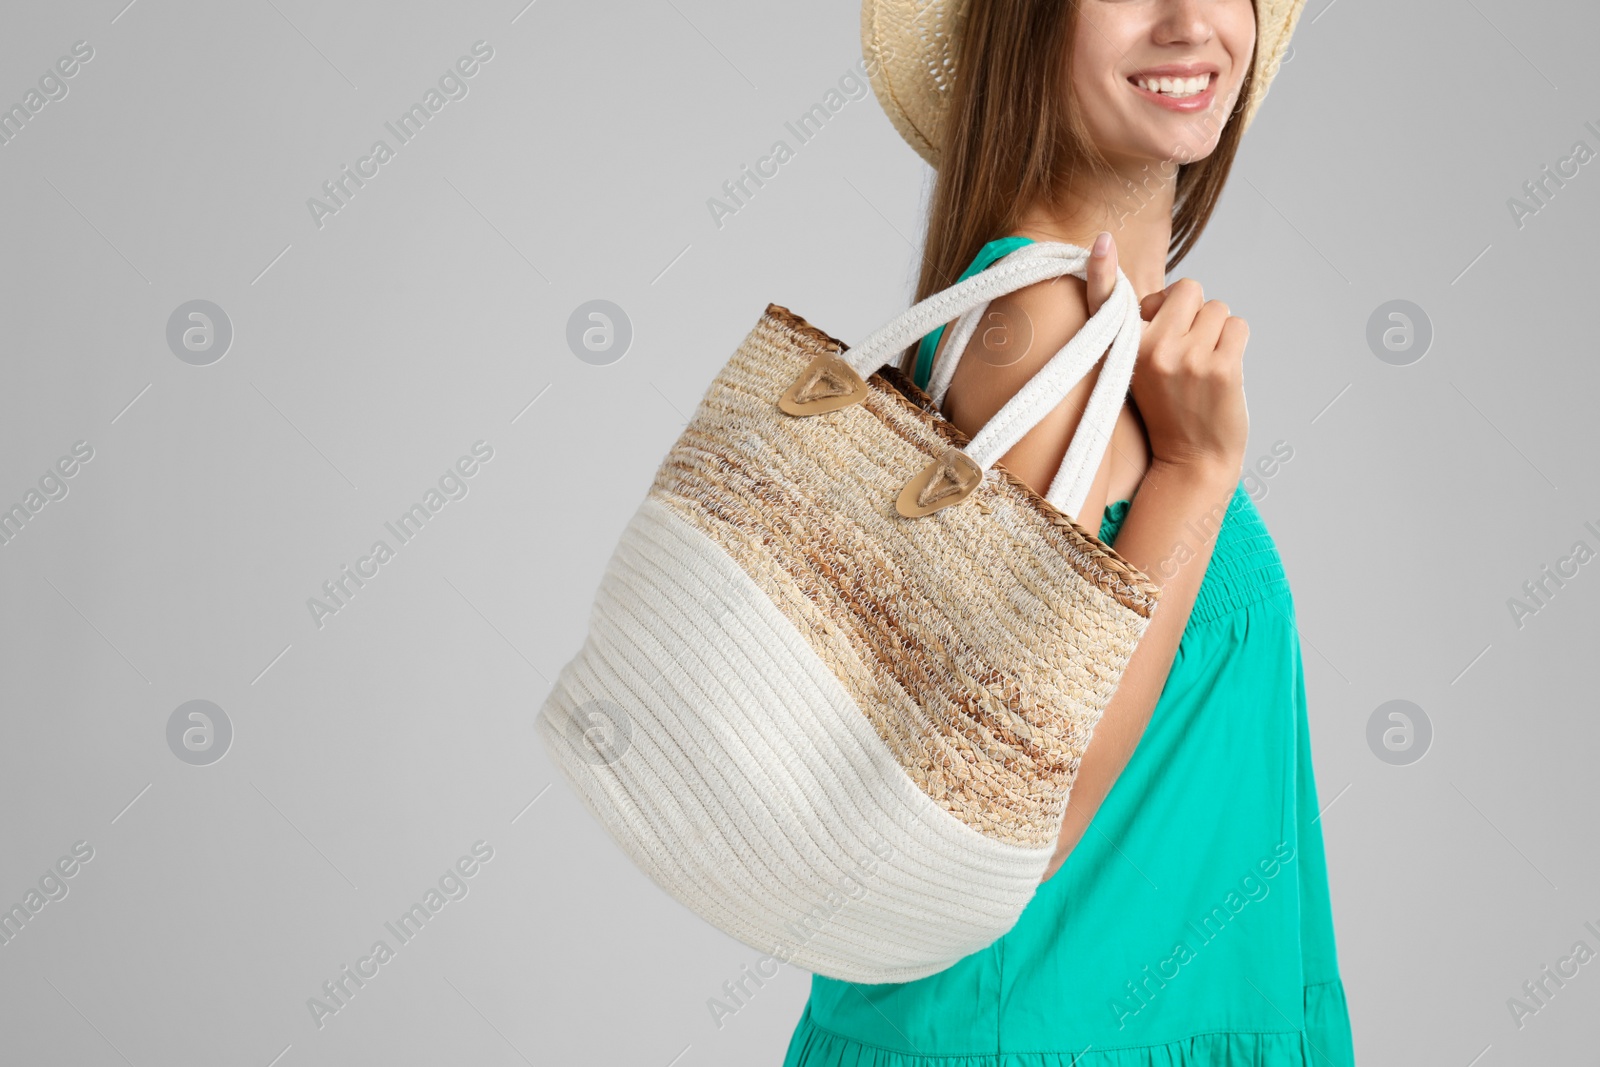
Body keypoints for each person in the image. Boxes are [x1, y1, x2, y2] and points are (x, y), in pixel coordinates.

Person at [783, 0, 1356, 1062]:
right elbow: (1017, 807)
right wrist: (1194, 468)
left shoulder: (1094, 338)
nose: (1189, 20)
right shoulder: (1038, 339)